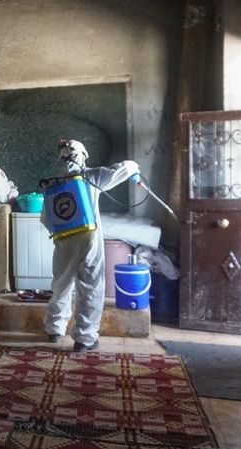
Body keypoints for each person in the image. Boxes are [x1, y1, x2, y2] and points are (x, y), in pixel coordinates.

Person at [40, 139, 139, 352]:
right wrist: (134, 168)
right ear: (82, 155)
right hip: (89, 239)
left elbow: (46, 219)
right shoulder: (91, 176)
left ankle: (54, 330)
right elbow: (123, 169)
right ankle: (84, 339)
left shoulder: (52, 183)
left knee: (61, 284)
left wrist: (62, 237)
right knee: (91, 286)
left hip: (64, 241)